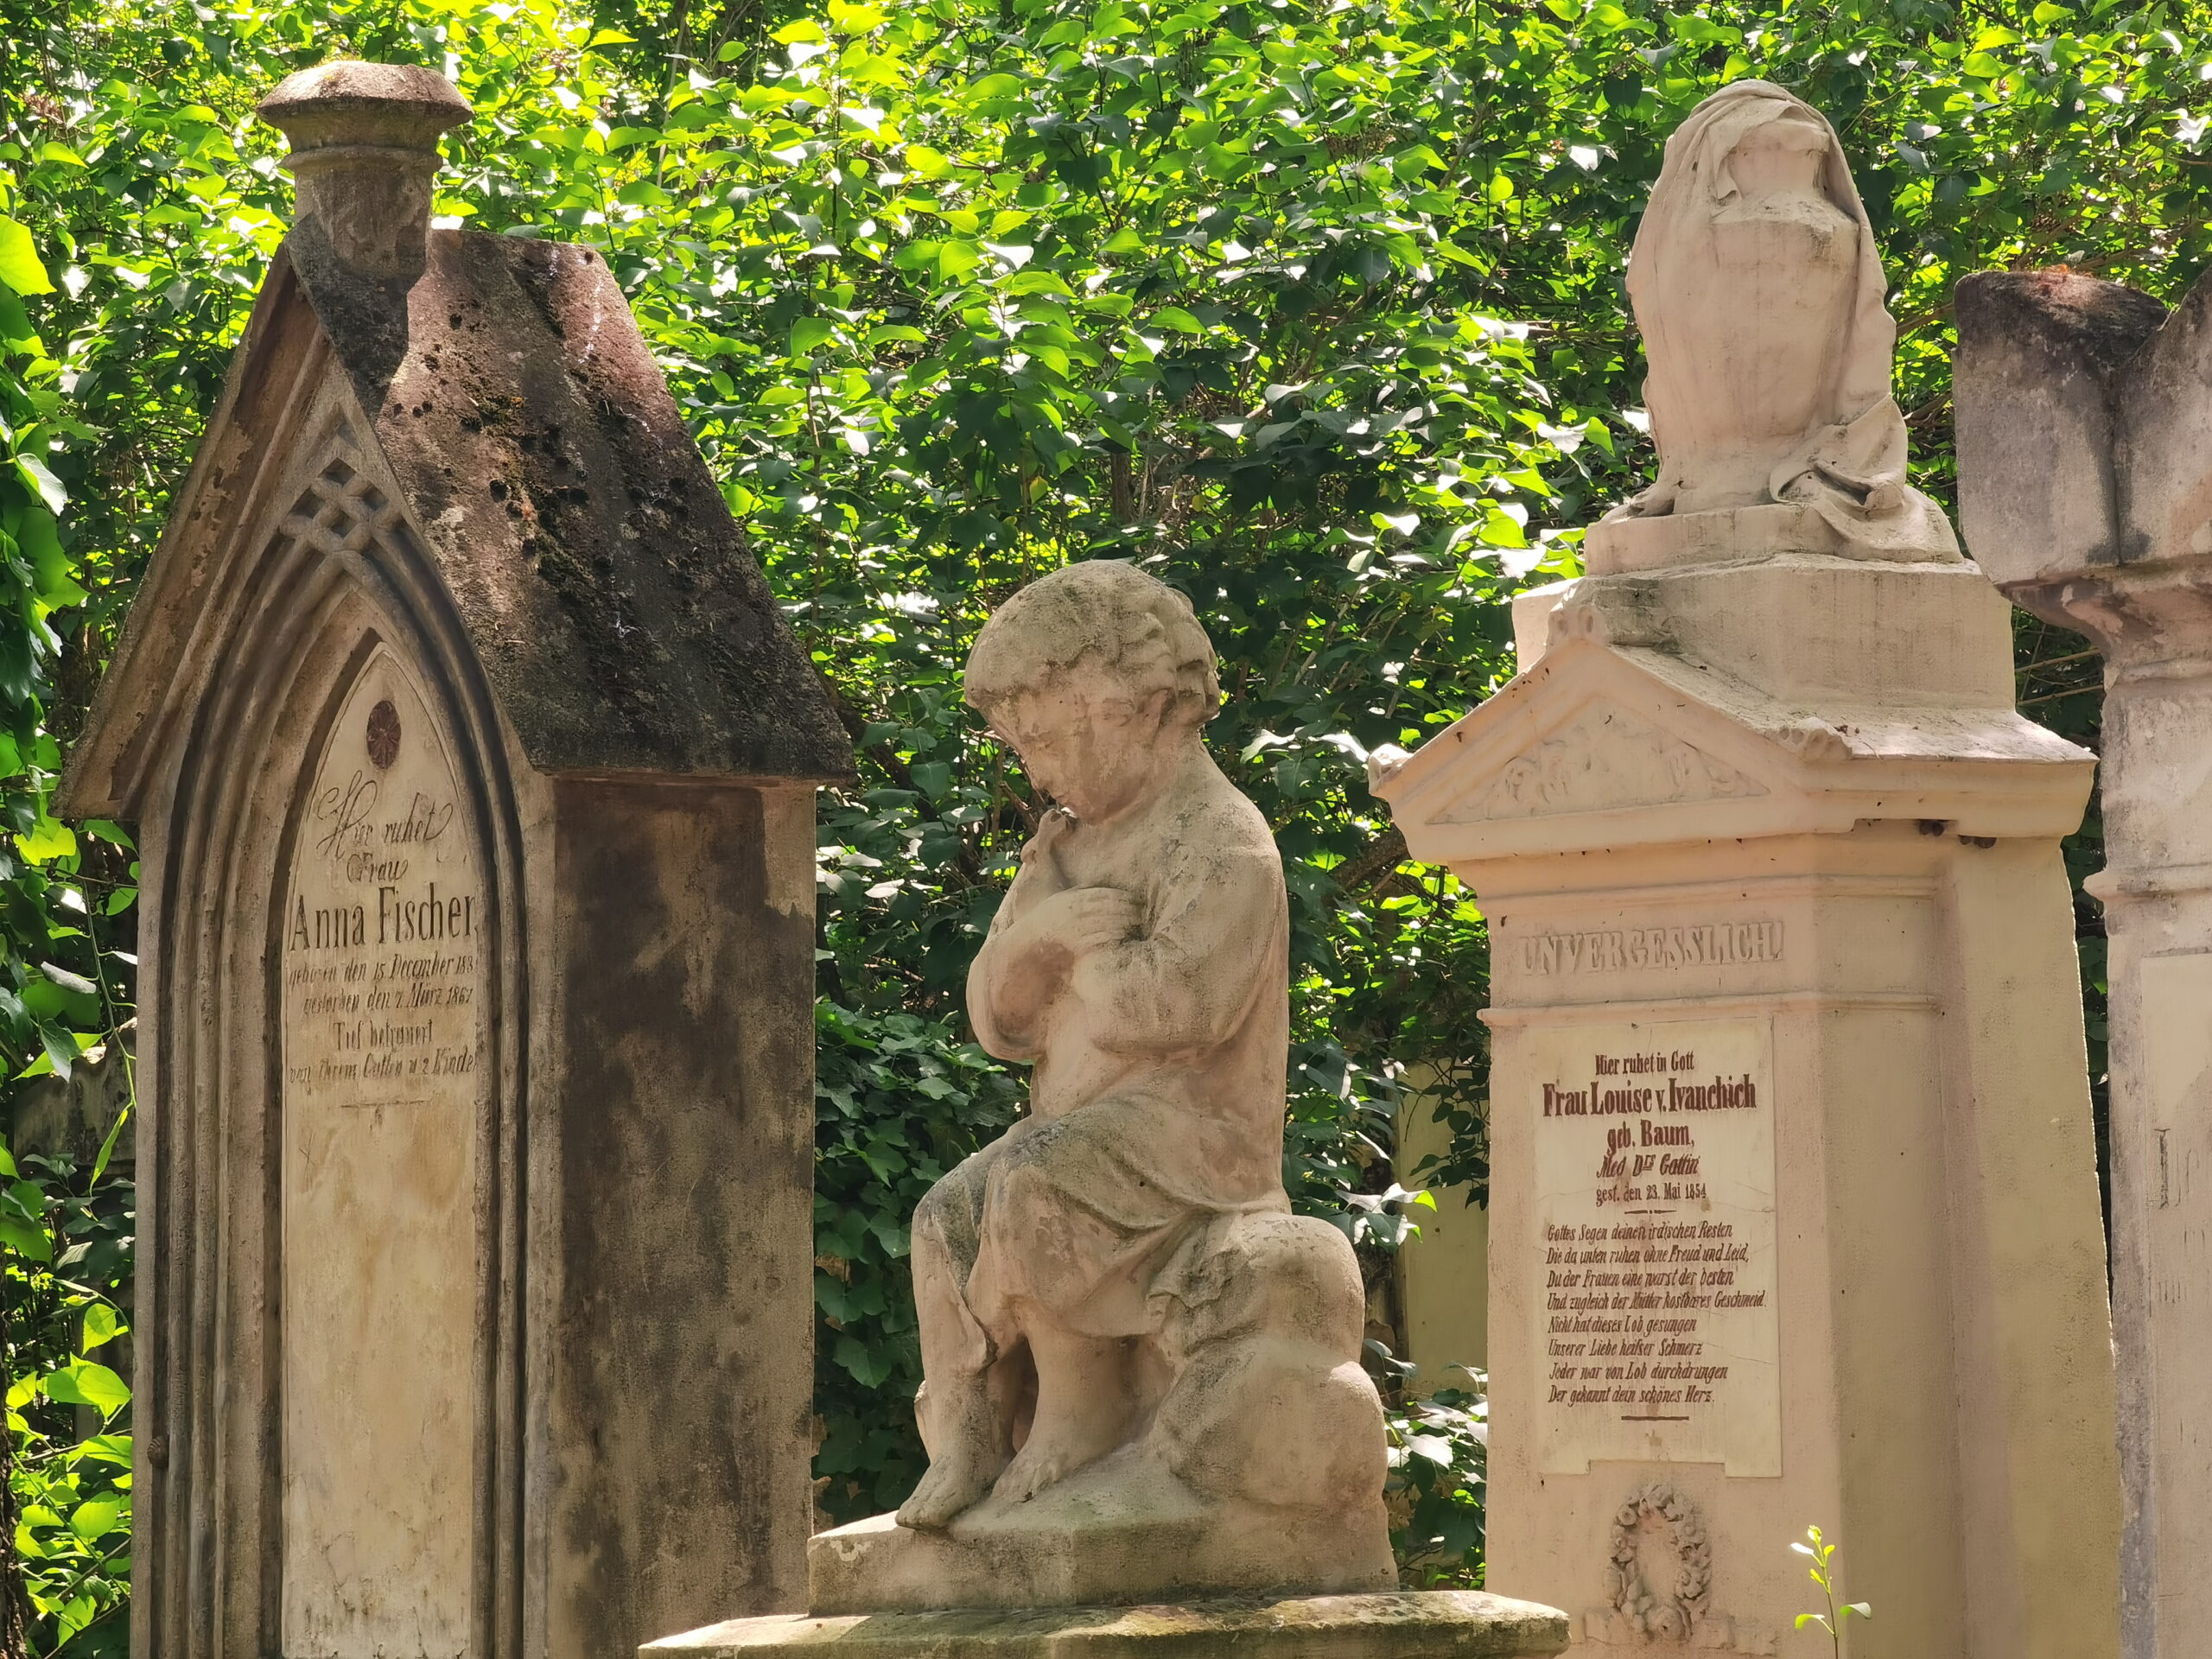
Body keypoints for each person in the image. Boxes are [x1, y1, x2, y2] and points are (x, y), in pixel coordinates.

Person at [896, 560, 1293, 1530]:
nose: (1032, 769)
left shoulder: (1220, 841)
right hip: (1082, 1130)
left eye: (1038, 738)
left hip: (1196, 1143)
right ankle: (970, 1429)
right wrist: (1038, 938)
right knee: (944, 1214)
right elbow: (997, 1023)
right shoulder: (1064, 845)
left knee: (1034, 1177)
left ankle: (1080, 1416)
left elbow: (1171, 1014)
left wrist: (1085, 946)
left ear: (1128, 708)